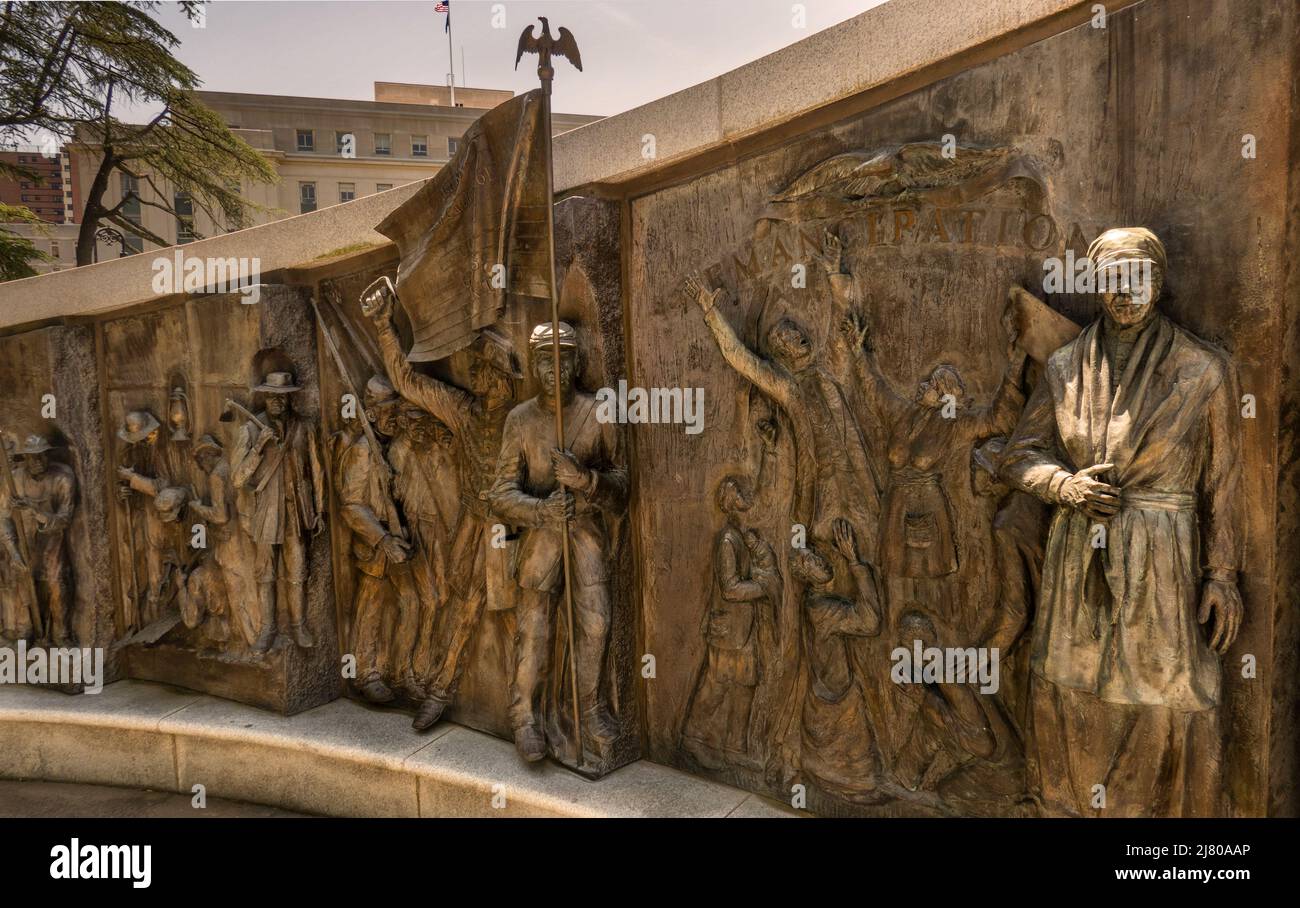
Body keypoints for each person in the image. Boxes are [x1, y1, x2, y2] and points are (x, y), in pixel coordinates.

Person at [1001, 227, 1242, 817]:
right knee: (1068, 684)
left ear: (1158, 283)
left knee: (1161, 697)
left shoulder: (1201, 370)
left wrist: (1222, 576)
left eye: (1139, 279)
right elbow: (1018, 456)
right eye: (1113, 280)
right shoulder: (1064, 367)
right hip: (1080, 547)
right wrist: (1064, 485)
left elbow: (1223, 484)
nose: (1126, 293)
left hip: (1163, 557)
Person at [362, 279, 520, 730]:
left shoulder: (526, 420)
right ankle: (442, 691)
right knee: (464, 604)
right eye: (479, 371)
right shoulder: (463, 411)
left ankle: (525, 709)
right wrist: (384, 327)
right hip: (475, 523)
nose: (481, 378)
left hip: (514, 529)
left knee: (511, 615)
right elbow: (407, 382)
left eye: (488, 372)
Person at [489, 322, 628, 763]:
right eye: (545, 362)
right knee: (535, 632)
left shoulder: (597, 412)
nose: (555, 370)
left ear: (576, 363)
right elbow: (500, 494)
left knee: (597, 623)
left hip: (586, 535)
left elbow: (623, 487)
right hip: (542, 541)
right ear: (535, 366)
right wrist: (540, 510)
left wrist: (586, 480)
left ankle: (590, 708)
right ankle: (524, 716)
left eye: (563, 360)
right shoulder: (521, 420)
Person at [680, 476, 781, 770]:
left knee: (745, 686)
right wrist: (764, 587)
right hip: (729, 629)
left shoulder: (740, 535)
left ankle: (736, 747)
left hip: (745, 628)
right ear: (728, 503)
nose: (745, 500)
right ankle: (693, 738)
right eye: (739, 495)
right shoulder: (727, 540)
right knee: (716, 684)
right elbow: (730, 588)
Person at [230, 370, 325, 652]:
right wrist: (259, 446)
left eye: (283, 397)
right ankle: (267, 629)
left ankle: (298, 626)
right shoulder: (249, 429)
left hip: (296, 511)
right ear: (264, 396)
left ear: (290, 398)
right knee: (266, 573)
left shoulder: (304, 428)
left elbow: (316, 471)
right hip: (265, 512)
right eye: (272, 396)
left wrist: (319, 509)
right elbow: (237, 478)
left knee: (297, 571)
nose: (277, 402)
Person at [335, 376, 416, 700]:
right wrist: (383, 540)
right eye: (386, 410)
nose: (393, 416)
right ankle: (366, 673)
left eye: (396, 409)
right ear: (370, 413)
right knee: (371, 607)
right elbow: (351, 505)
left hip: (397, 539)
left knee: (409, 602)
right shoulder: (362, 451)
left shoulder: (390, 449)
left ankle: (401, 669)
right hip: (375, 545)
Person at [0, 435, 76, 644]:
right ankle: (26, 630)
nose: (38, 462)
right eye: (33, 457)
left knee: (56, 585)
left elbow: (64, 519)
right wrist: (14, 552)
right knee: (23, 582)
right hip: (25, 542)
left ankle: (63, 635)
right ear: (24, 457)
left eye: (43, 456)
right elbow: (3, 517)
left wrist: (35, 509)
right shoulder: (13, 479)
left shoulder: (63, 477)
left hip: (51, 541)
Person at [188, 435, 255, 647]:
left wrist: (197, 507)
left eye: (200, 461)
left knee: (236, 593)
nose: (200, 467)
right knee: (248, 588)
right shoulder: (229, 467)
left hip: (230, 544)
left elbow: (220, 516)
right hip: (243, 537)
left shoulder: (217, 476)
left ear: (207, 456)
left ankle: (249, 641)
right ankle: (251, 637)